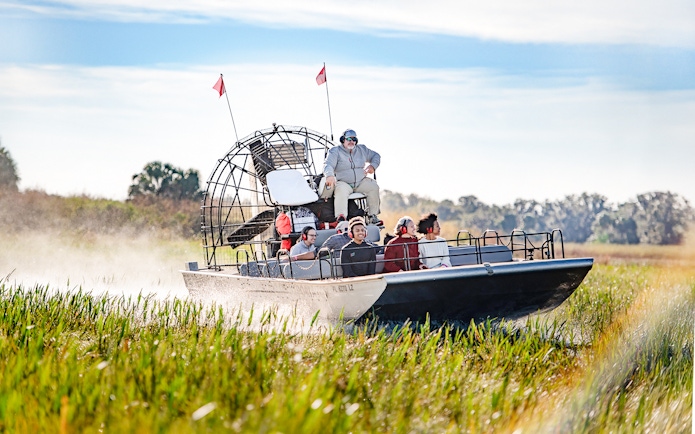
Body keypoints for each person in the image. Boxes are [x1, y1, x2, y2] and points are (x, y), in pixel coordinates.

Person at [322, 128, 381, 225]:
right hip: (344, 183)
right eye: (349, 139)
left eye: (354, 140)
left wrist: (372, 166)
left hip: (360, 182)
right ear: (343, 140)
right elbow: (328, 165)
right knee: (340, 190)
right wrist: (329, 175)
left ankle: (372, 216)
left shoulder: (362, 149)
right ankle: (341, 218)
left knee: (373, 186)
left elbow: (376, 156)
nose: (351, 142)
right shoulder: (335, 151)